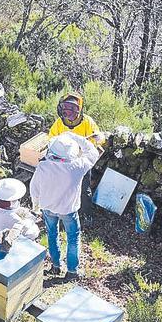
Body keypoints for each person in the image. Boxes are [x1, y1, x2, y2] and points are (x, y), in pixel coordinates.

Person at [30, 133, 100, 280]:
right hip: (68, 210)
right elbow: (93, 152)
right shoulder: (77, 166)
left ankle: (56, 266)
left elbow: (34, 188)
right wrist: (75, 137)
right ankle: (72, 271)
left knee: (52, 235)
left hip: (47, 208)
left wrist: (36, 205)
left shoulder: (43, 166)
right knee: (73, 238)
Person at [47, 92, 104, 224]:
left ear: (79, 109)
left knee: (84, 190)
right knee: (62, 189)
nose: (68, 111)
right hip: (63, 163)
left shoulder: (87, 121)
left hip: (81, 162)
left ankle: (87, 215)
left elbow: (99, 138)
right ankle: (62, 213)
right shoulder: (59, 123)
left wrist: (97, 138)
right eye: (66, 107)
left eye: (72, 108)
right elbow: (51, 138)